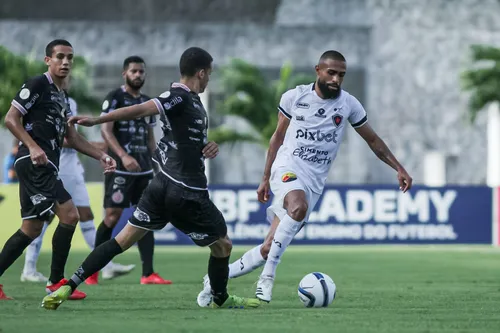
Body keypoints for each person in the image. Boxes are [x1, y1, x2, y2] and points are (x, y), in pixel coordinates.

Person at [41, 46, 260, 310]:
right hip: (186, 190)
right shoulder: (177, 96)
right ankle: (220, 298)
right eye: (209, 74)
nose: (209, 79)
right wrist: (98, 120)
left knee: (121, 241)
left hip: (161, 187)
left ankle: (68, 286)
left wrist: (206, 147)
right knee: (223, 245)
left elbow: (180, 139)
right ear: (201, 73)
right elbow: (143, 109)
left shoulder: (190, 101)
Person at [196, 50, 414, 306]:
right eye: (331, 73)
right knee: (298, 206)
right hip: (287, 168)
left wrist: (398, 168)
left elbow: (373, 140)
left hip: (314, 182)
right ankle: (267, 279)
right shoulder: (295, 97)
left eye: (341, 75)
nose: (336, 79)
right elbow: (277, 137)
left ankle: (212, 282)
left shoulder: (348, 105)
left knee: (268, 248)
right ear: (318, 70)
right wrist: (265, 177)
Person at [0, 39, 116, 301]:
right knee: (70, 214)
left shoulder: (62, 97)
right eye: (60, 57)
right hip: (33, 163)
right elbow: (10, 118)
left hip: (44, 165)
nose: (65, 62)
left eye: (69, 58)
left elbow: (73, 139)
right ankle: (55, 282)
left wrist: (101, 155)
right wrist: (31, 146)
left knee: (30, 229)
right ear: (48, 60)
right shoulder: (38, 84)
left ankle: (49, 281)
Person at [20, 95, 135, 283]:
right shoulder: (42, 95)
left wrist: (93, 149)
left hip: (74, 168)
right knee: (44, 219)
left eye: (69, 64)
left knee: (85, 215)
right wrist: (93, 146)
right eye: (62, 63)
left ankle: (105, 266)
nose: (66, 67)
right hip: (59, 167)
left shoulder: (71, 102)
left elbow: (70, 135)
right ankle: (29, 268)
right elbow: (58, 137)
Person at [93, 56, 170, 285]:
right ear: (124, 74)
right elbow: (106, 131)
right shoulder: (115, 98)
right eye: (134, 71)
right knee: (112, 216)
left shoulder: (148, 102)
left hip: (144, 171)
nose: (138, 75)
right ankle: (93, 271)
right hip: (120, 169)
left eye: (141, 72)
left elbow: (150, 139)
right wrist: (123, 156)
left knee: (146, 218)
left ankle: (148, 274)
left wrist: (159, 164)